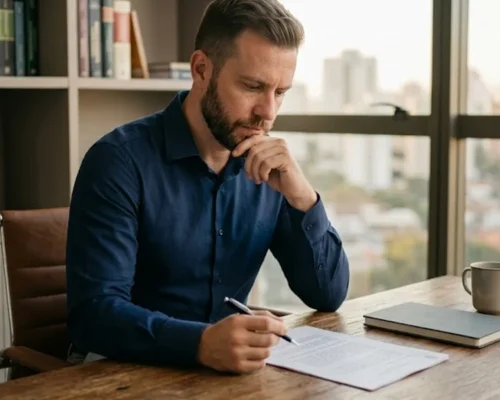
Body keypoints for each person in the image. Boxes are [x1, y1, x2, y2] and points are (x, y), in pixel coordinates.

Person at [65, 0, 349, 374]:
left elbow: (327, 295)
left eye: (280, 92)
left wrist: (303, 198)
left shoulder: (271, 169)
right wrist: (200, 343)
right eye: (253, 86)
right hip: (120, 372)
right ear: (201, 69)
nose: (268, 113)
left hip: (223, 376)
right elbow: (94, 315)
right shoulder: (118, 162)